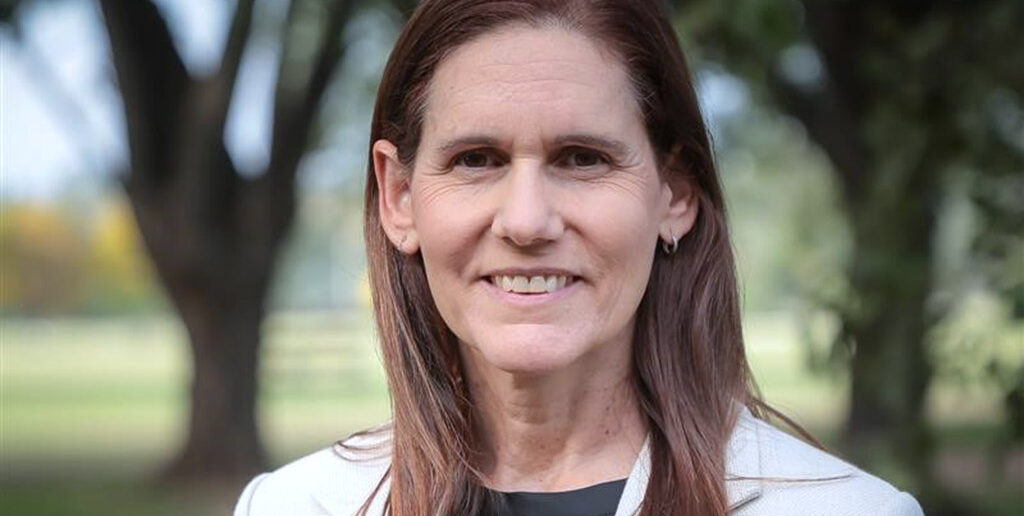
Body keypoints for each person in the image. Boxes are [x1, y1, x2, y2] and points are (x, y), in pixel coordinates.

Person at [234, 0, 925, 514]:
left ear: (676, 193)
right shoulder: (292, 507)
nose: (527, 221)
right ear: (400, 197)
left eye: (582, 159)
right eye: (476, 159)